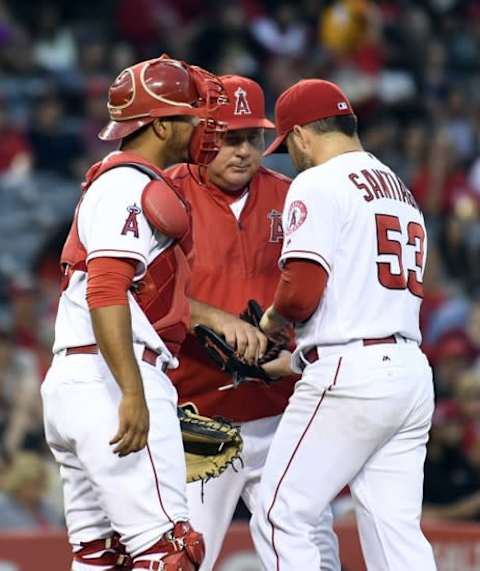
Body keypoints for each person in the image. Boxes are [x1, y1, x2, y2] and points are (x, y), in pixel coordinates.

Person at [41, 55, 227, 570]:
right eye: (192, 116)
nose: (203, 126)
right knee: (169, 553)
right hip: (109, 379)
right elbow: (106, 289)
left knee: (101, 557)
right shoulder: (126, 186)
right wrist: (132, 390)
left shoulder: (115, 182)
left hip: (78, 379)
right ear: (162, 124)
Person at [250, 79, 437, 570]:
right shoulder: (399, 190)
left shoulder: (319, 181)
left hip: (352, 372)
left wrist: (271, 321)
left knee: (278, 512)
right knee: (395, 532)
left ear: (305, 134)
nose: (291, 156)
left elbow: (301, 289)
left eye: (289, 144)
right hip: (409, 371)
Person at [167, 75, 340, 571]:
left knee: (309, 548)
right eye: (229, 138)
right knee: (183, 553)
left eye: (253, 138)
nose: (243, 151)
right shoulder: (167, 195)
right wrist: (212, 317)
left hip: (282, 409)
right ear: (203, 134)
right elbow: (144, 290)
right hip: (196, 415)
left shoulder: (294, 195)